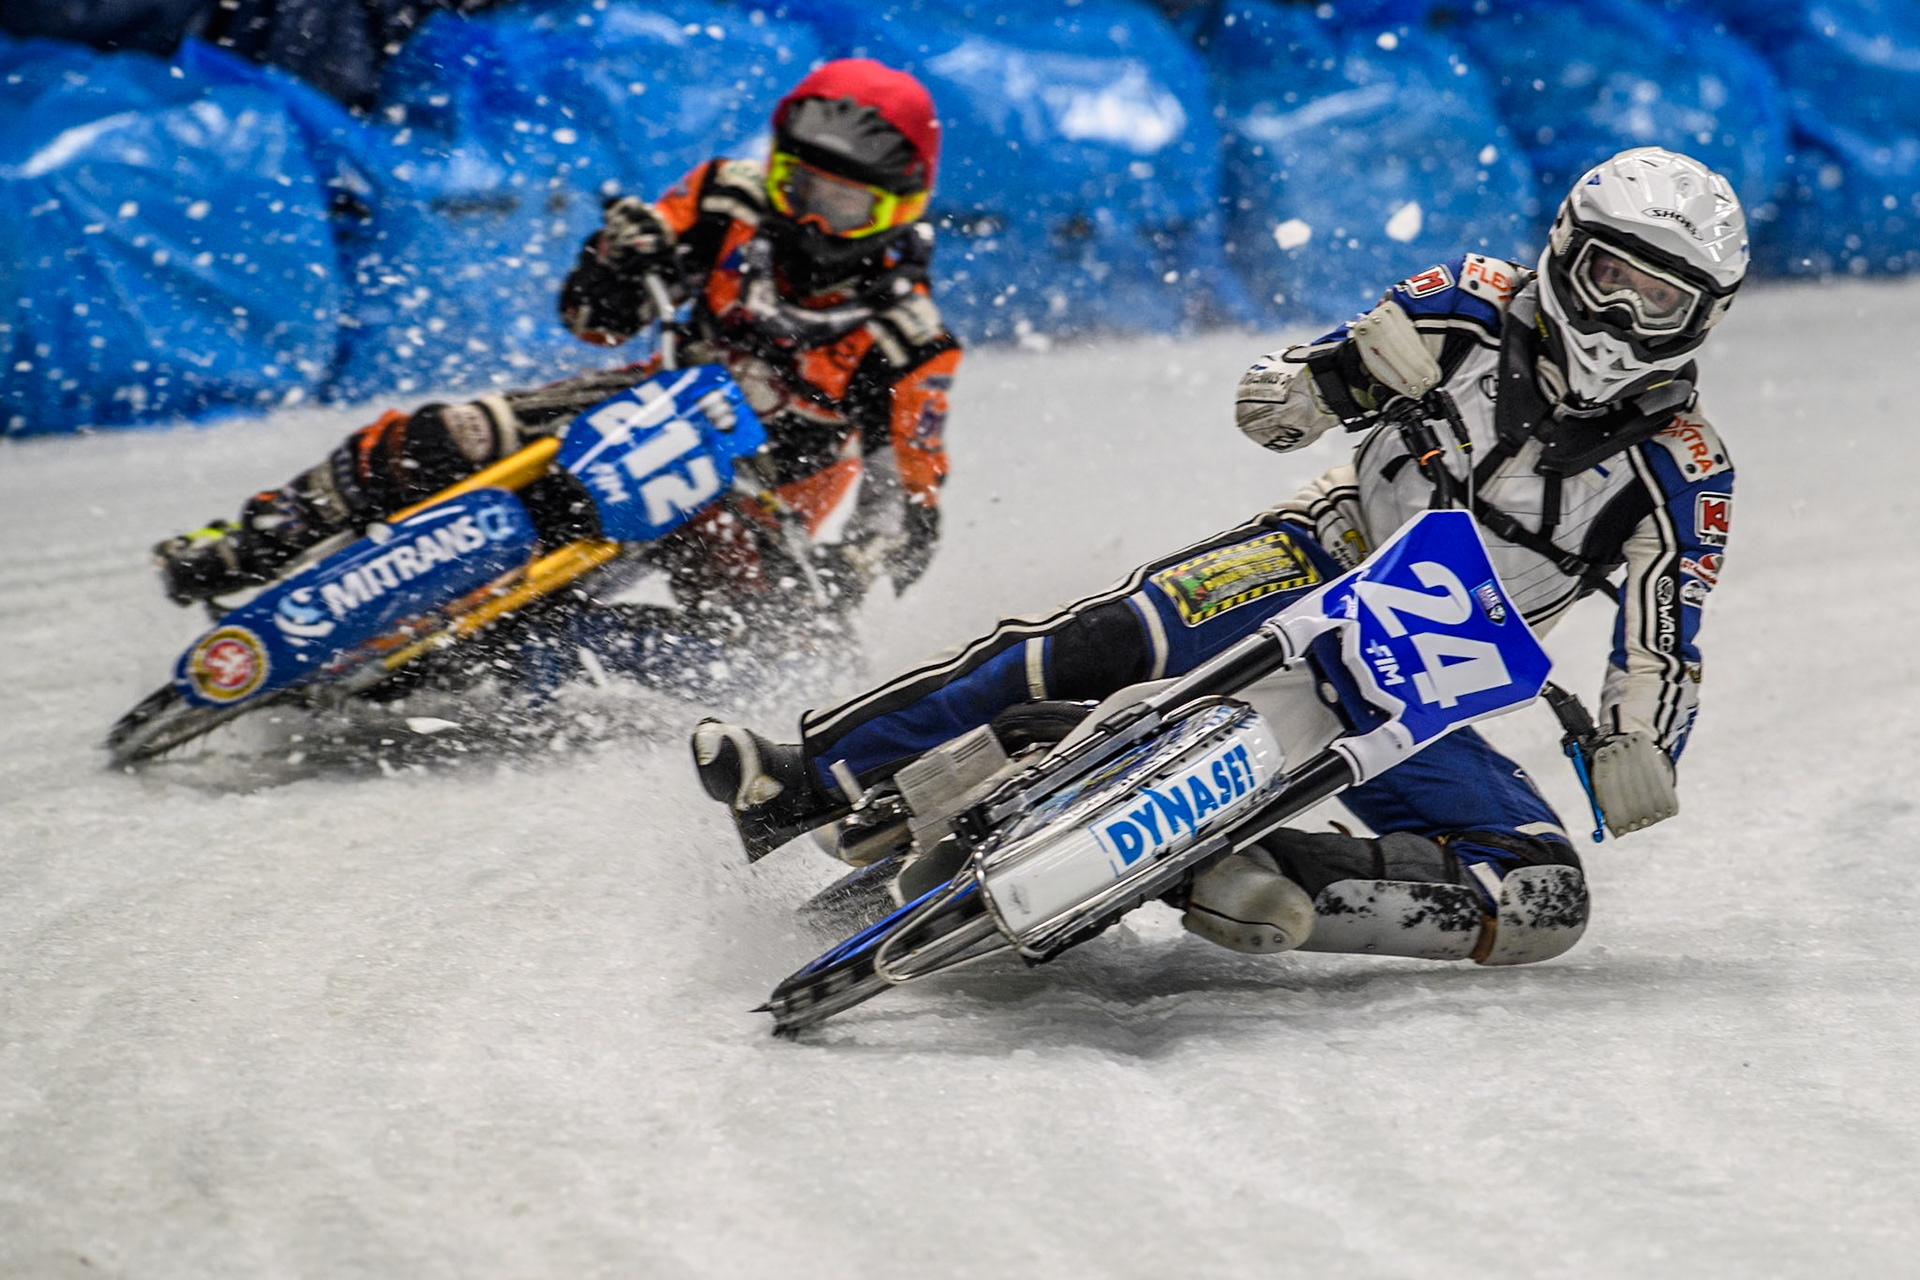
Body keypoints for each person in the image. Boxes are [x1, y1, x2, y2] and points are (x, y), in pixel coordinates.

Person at [692, 146, 1743, 967]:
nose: (1621, 320)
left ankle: (1236, 865)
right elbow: (1296, 392)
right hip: (1320, 553)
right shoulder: (1468, 300)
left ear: (1702, 320)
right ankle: (806, 777)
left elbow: (1664, 642)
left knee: (1540, 895)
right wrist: (1315, 385)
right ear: (1564, 251)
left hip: (1422, 679)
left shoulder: (1685, 471)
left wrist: (1641, 744)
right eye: (1611, 277)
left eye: (1661, 301)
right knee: (1105, 638)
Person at [153, 58, 960, 694]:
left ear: (901, 206)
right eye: (801, 188)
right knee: (452, 434)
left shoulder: (910, 340)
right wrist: (617, 259)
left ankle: (560, 645)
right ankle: (268, 530)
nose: (813, 220)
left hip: (758, 491)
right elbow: (592, 320)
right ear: (775, 166)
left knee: (792, 658)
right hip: (643, 407)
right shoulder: (725, 198)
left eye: (844, 206)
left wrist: (852, 566)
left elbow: (907, 499)